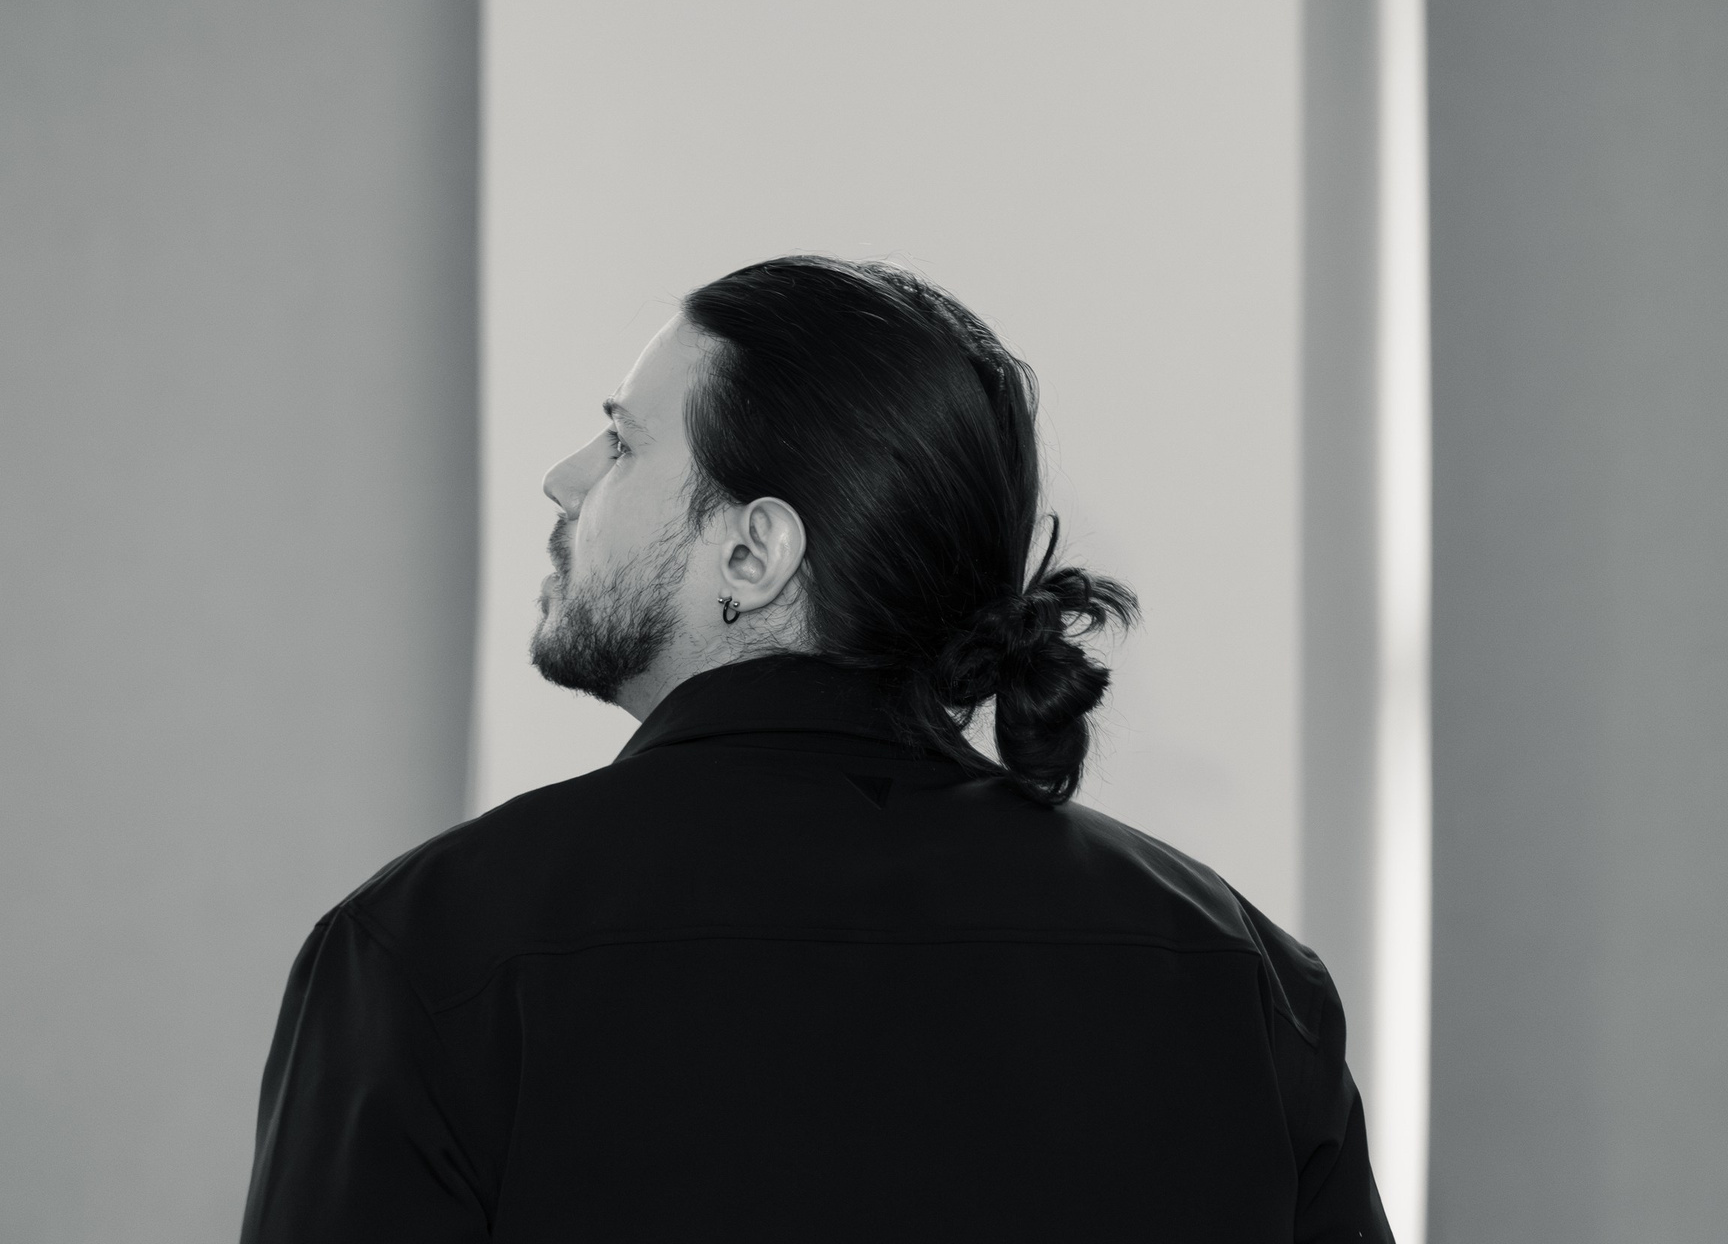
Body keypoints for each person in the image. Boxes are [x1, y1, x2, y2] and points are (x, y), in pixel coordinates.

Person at [240, 256, 1392, 1242]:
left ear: (755, 553)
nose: (566, 478)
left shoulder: (431, 952)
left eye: (622, 442)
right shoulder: (1243, 979)